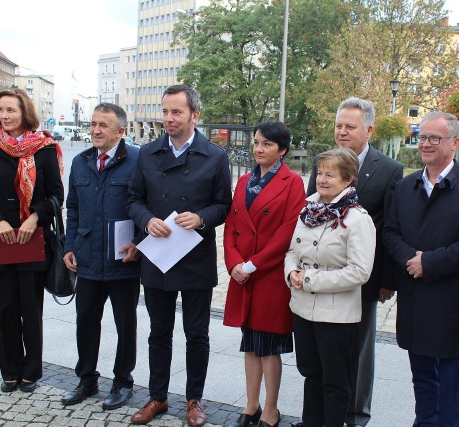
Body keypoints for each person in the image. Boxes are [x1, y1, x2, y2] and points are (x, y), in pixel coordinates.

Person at [127, 84, 232, 426]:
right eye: (165, 111)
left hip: (195, 258)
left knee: (197, 334)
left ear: (194, 115)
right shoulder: (147, 153)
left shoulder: (215, 156)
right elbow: (133, 200)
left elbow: (224, 206)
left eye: (176, 112)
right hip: (158, 255)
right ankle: (157, 397)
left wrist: (202, 218)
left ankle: (194, 399)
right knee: (159, 332)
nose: (168, 119)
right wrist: (147, 220)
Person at [382, 111, 459, 426]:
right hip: (414, 297)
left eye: (435, 138)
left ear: (455, 142)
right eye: (422, 137)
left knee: (450, 382)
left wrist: (428, 263)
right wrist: (410, 259)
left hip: (451, 300)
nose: (426, 144)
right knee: (421, 379)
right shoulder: (406, 186)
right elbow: (390, 232)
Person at [303, 97, 403, 427]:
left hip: (361, 280)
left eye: (350, 126)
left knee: (357, 354)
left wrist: (388, 280)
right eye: (338, 126)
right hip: (318, 280)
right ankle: (321, 416)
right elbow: (309, 214)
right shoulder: (323, 161)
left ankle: (355, 416)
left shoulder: (388, 169)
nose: (342, 132)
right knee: (322, 356)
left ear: (369, 129)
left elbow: (389, 226)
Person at [0, 88, 64, 393]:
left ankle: (30, 372)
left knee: (30, 309)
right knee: (5, 308)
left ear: (25, 113)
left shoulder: (45, 148)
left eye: (11, 110)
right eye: (1, 111)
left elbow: (55, 195)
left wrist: (36, 217)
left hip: (32, 237)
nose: (5, 116)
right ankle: (9, 369)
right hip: (0, 238)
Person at [285, 148, 376, 427]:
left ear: (348, 180)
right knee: (310, 371)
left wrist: (310, 280)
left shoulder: (357, 218)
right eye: (320, 173)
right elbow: (291, 250)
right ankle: (311, 422)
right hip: (303, 307)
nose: (322, 179)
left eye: (330, 175)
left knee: (335, 380)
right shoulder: (308, 208)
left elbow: (360, 271)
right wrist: (291, 273)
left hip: (336, 314)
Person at [223, 121, 306, 427]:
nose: (259, 148)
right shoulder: (244, 180)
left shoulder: (292, 183)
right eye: (257, 142)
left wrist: (251, 265)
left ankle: (271, 409)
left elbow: (287, 233)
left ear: (282, 150)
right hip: (242, 274)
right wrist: (233, 264)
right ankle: (251, 405)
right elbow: (232, 225)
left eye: (267, 144)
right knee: (249, 343)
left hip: (268, 275)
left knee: (269, 347)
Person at [60, 103, 141, 410]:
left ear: (120, 131)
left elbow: (147, 205)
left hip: (124, 260)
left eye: (103, 125)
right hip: (88, 258)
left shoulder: (137, 160)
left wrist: (140, 242)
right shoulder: (81, 162)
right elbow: (74, 208)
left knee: (125, 324)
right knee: (86, 322)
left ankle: (123, 382)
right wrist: (70, 246)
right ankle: (86, 379)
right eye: (93, 124)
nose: (95, 130)